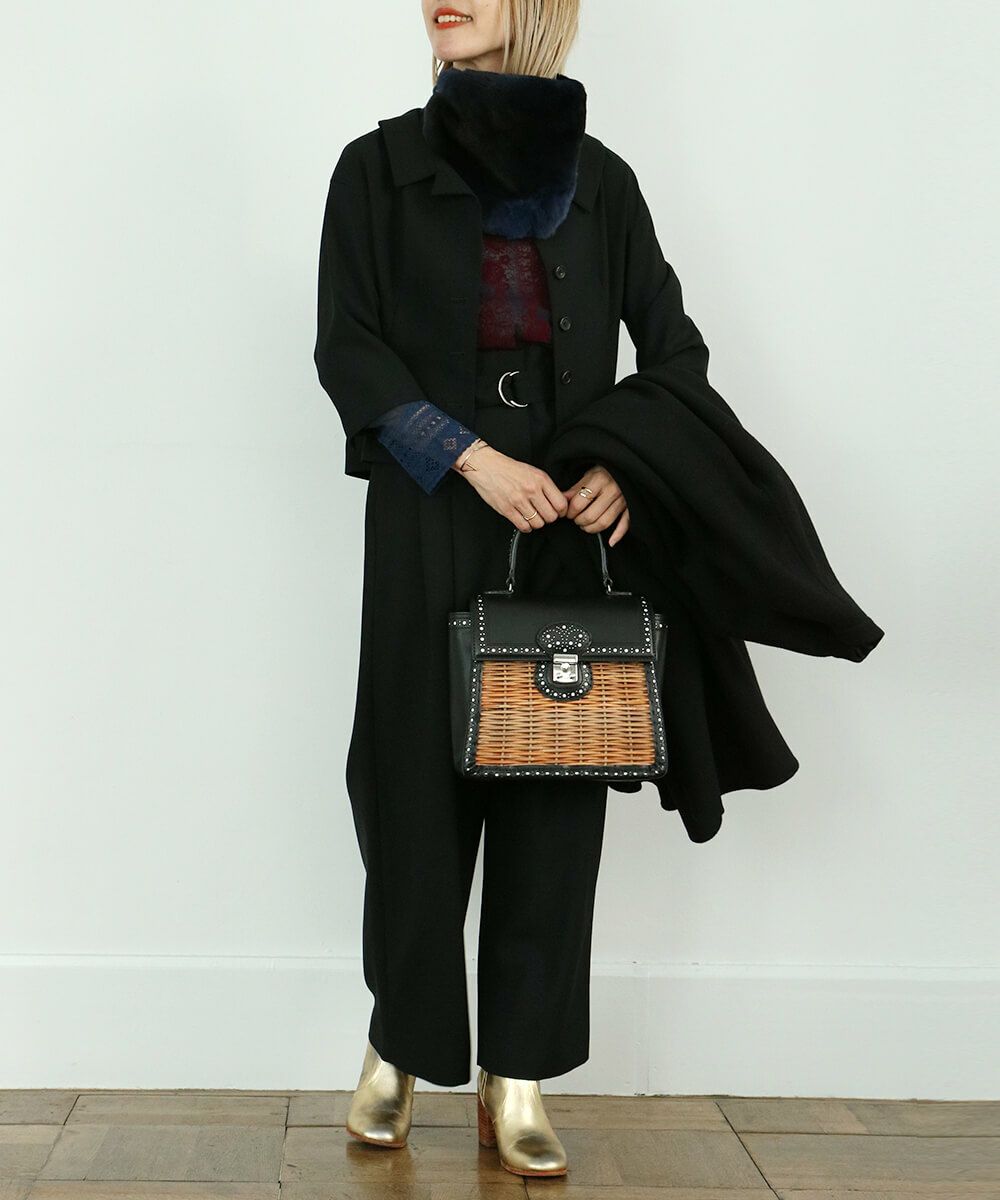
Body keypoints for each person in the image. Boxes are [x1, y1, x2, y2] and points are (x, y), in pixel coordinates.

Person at [312, 0, 884, 1180]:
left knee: (554, 794)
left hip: (571, 528)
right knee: (407, 787)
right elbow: (348, 346)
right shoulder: (376, 167)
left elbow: (675, 350)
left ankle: (516, 1075)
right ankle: (400, 1043)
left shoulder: (604, 183)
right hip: (432, 512)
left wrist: (623, 465)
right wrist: (467, 457)